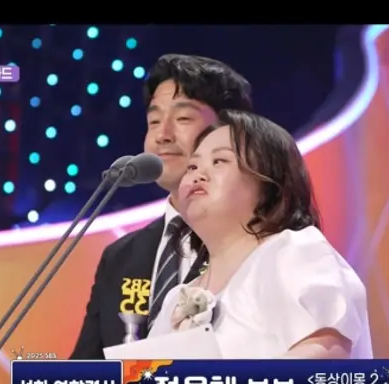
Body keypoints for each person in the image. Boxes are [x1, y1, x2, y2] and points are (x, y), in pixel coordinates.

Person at [149, 110, 389, 384]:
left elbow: (327, 357)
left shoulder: (293, 250)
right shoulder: (177, 298)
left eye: (219, 161)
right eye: (192, 166)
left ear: (269, 184)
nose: (198, 173)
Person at [70, 54, 253, 359]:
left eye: (183, 119)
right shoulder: (121, 257)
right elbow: (84, 373)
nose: (162, 135)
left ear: (230, 133)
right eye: (153, 121)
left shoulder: (257, 244)